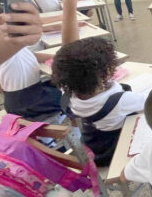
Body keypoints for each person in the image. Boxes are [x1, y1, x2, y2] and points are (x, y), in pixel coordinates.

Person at [53, 36, 146, 166]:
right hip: (114, 152)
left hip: (91, 148)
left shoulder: (68, 94)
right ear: (106, 73)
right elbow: (151, 100)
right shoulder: (121, 101)